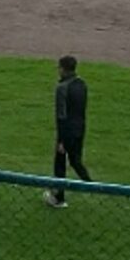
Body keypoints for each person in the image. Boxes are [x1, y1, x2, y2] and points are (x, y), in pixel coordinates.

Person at [46, 55, 93, 207]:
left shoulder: (62, 88)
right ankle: (92, 186)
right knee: (76, 161)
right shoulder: (82, 84)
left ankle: (59, 198)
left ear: (64, 69)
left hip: (67, 131)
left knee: (60, 163)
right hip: (80, 128)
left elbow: (61, 116)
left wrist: (61, 140)